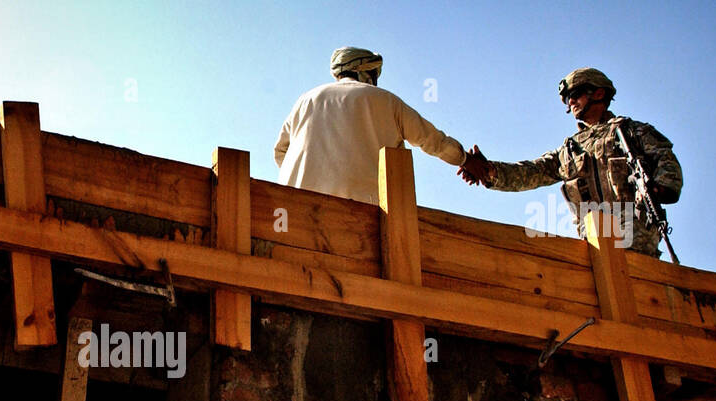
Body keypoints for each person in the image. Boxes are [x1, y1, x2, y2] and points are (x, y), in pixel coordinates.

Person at [459, 68, 682, 259]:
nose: (570, 102)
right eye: (567, 100)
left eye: (575, 95)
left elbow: (665, 158)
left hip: (632, 224)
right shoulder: (569, 149)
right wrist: (489, 171)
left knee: (632, 281)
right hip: (591, 234)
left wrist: (661, 187)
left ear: (599, 93)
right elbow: (532, 171)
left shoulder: (631, 131)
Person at [274, 46, 471, 205]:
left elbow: (280, 152)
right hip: (363, 214)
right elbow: (433, 141)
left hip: (293, 210)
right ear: (366, 73)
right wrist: (465, 160)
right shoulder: (385, 100)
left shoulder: (306, 100)